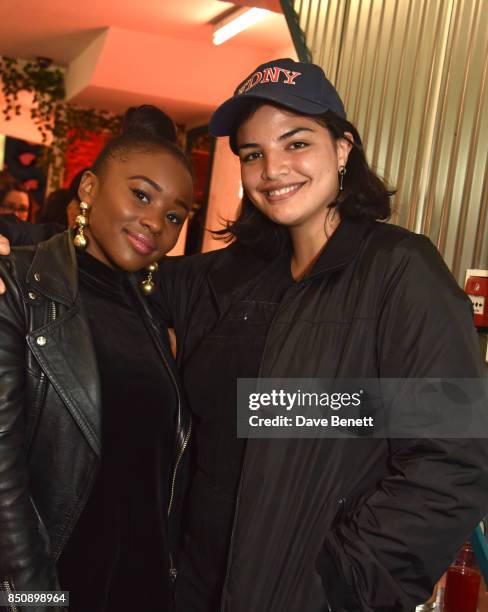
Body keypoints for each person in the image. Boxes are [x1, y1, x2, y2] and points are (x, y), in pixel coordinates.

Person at [1, 60, 488, 612]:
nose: (273, 169)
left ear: (344, 148)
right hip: (183, 588)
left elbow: (452, 458)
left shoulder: (400, 272)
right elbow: (110, 261)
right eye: (253, 154)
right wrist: (15, 247)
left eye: (296, 143)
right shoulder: (227, 279)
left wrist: (343, 586)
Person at [0, 105, 193, 612]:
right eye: (141, 194)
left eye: (174, 215)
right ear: (88, 189)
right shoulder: (17, 288)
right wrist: (38, 598)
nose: (155, 221)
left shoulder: (153, 315)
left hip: (141, 587)